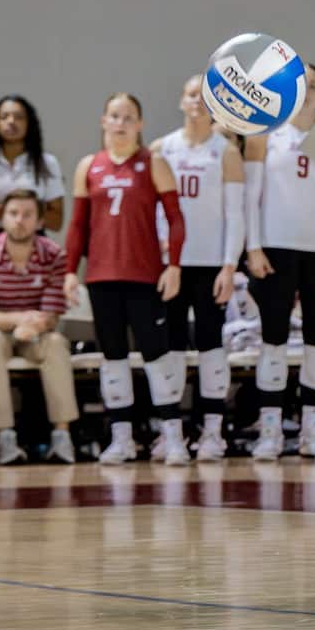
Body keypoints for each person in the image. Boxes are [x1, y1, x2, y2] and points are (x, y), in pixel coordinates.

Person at [243, 63, 315, 461]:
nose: (308, 91)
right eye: (302, 85)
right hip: (276, 247)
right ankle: (271, 432)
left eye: (314, 85)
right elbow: (251, 197)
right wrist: (253, 247)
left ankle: (314, 433)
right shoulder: (266, 133)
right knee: (273, 340)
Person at [64, 92, 188, 465]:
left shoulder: (154, 164)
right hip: (101, 276)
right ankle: (121, 438)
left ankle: (172, 437)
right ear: (103, 120)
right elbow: (77, 225)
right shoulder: (90, 166)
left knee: (156, 354)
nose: (120, 123)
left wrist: (174, 265)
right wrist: (70, 272)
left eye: (128, 117)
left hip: (144, 275)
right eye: (114, 116)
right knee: (113, 355)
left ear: (140, 124)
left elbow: (176, 218)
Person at [150, 74, 246, 462]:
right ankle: (169, 433)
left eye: (204, 98)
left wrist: (228, 266)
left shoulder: (226, 151)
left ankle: (212, 432)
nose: (196, 102)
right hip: (171, 264)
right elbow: (152, 210)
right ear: (181, 101)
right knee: (170, 347)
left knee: (210, 347)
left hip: (210, 264)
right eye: (191, 95)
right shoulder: (161, 149)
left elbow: (235, 215)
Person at [0, 189, 78, 464]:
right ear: (2, 219)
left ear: (40, 222)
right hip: (0, 331)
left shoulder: (54, 254)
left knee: (56, 344)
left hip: (37, 333)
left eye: (28, 214)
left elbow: (52, 314)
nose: (20, 220)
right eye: (13, 213)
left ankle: (62, 437)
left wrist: (35, 325)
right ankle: (4, 436)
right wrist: (20, 319)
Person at [0, 95, 64, 233]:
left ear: (29, 123)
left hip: (32, 242)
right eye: (4, 117)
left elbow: (56, 221)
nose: (11, 121)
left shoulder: (46, 163)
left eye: (19, 117)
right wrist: (11, 207)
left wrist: (18, 211)